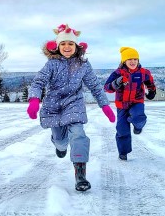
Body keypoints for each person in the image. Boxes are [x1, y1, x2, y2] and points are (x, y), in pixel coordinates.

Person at [27, 24, 115, 192]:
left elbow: (95, 86)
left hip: (74, 103)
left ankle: (80, 175)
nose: (67, 47)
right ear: (57, 47)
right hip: (53, 105)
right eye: (63, 44)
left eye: (71, 44)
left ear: (76, 47)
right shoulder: (51, 65)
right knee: (60, 141)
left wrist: (105, 105)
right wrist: (33, 100)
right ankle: (59, 145)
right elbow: (38, 82)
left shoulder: (83, 65)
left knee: (78, 134)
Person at [104, 47, 156, 161]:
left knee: (138, 117)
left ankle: (138, 126)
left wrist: (152, 91)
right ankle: (123, 152)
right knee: (122, 130)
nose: (133, 62)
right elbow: (107, 88)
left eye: (135, 59)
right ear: (124, 61)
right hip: (122, 105)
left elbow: (150, 82)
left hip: (137, 102)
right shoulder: (117, 73)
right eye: (129, 59)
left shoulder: (144, 72)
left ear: (138, 60)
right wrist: (116, 83)